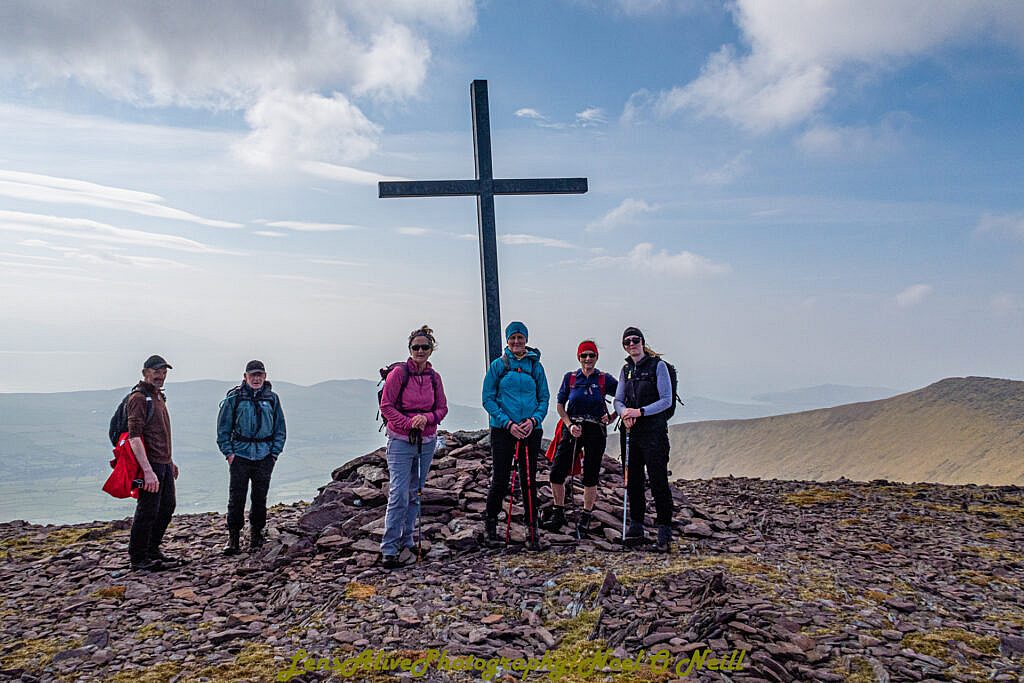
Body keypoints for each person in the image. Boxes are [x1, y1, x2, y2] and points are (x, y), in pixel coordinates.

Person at [378, 325, 449, 568]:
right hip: (400, 440)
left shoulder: (434, 377)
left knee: (415, 492)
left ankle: (407, 540)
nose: (420, 350)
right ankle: (389, 547)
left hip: (426, 441)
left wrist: (426, 419)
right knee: (398, 493)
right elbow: (386, 406)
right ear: (410, 349)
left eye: (425, 347)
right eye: (416, 347)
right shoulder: (399, 374)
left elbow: (442, 409)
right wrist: (409, 423)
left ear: (431, 350)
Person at [482, 321, 550, 551]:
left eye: (520, 338)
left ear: (526, 340)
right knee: (500, 479)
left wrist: (533, 421)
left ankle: (532, 530)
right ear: (507, 340)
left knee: (529, 480)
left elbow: (544, 399)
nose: (516, 342)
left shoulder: (535, 367)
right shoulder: (499, 365)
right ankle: (490, 526)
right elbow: (488, 398)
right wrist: (508, 424)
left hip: (530, 430)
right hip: (504, 430)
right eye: (512, 338)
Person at [542, 340, 617, 537]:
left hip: (596, 430)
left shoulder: (604, 379)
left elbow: (622, 398)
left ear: (596, 357)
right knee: (557, 471)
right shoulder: (571, 378)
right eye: (584, 355)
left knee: (590, 474)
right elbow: (560, 404)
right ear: (578, 357)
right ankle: (559, 512)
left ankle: (586, 514)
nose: (588, 359)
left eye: (591, 355)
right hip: (573, 428)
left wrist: (612, 417)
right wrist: (569, 424)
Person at [613, 327, 675, 553]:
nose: (631, 344)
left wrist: (639, 412)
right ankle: (636, 527)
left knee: (658, 480)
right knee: (634, 480)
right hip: (631, 432)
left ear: (642, 342)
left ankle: (664, 532)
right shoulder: (626, 369)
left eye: (635, 340)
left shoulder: (658, 366)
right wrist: (624, 413)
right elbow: (618, 399)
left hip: (654, 432)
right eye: (627, 342)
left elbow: (666, 400)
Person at [216, 360, 287, 555]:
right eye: (252, 375)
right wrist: (229, 453)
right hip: (240, 455)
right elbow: (223, 428)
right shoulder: (234, 399)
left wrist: (274, 453)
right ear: (245, 376)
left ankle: (256, 536)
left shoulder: (272, 399)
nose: (256, 379)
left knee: (259, 498)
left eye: (260, 375)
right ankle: (233, 539)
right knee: (236, 497)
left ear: (265, 377)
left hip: (264, 456)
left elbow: (280, 428)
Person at [127, 354, 179, 571]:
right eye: (156, 371)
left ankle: (152, 549)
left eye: (164, 372)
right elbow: (134, 436)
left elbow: (160, 433)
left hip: (163, 463)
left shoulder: (158, 396)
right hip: (150, 464)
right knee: (148, 509)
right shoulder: (139, 398)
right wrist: (147, 471)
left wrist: (170, 461)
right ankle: (138, 558)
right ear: (145, 372)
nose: (161, 375)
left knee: (167, 506)